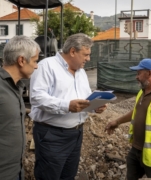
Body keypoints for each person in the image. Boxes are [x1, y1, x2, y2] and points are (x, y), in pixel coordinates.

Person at [29, 33, 106, 180]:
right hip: (52, 135)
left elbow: (84, 98)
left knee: (68, 176)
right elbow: (36, 97)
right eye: (85, 55)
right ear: (72, 51)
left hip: (76, 134)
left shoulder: (81, 72)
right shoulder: (47, 66)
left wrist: (95, 106)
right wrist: (66, 106)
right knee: (49, 176)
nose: (88, 59)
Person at [105, 58, 151, 180]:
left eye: (139, 73)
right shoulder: (142, 92)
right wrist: (117, 121)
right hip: (136, 151)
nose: (136, 77)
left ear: (149, 73)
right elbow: (135, 112)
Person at [0, 35, 40, 180]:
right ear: (22, 60)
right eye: (35, 61)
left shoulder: (15, 88)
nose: (36, 66)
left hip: (16, 171)